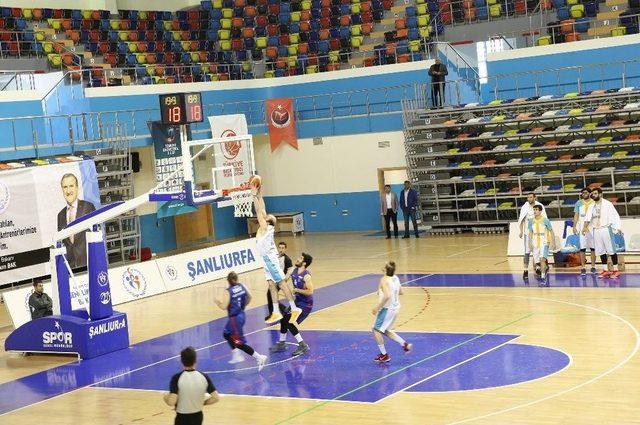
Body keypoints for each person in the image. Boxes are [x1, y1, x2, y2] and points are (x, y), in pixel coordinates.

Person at [252, 185, 302, 324]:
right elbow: (262, 208)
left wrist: (253, 196)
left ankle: (294, 308)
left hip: (270, 259)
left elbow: (258, 210)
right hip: (266, 259)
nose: (265, 214)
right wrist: (260, 193)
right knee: (271, 285)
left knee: (281, 283)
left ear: (268, 221)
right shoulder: (266, 226)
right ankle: (275, 312)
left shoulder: (265, 227)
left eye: (267, 216)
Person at [215, 272, 268, 369]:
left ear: (228, 280)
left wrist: (217, 302)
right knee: (226, 334)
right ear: (236, 279)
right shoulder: (242, 286)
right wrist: (243, 306)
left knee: (239, 343)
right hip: (241, 315)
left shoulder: (228, 291)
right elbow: (250, 297)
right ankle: (236, 355)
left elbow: (223, 306)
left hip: (235, 319)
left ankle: (259, 357)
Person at [270, 252, 314, 357]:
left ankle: (302, 345)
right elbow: (284, 280)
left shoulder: (306, 276)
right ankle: (282, 343)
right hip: (297, 301)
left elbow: (310, 291)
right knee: (284, 319)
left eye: (301, 258)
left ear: (304, 263)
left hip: (306, 304)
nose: (298, 259)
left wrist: (297, 290)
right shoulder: (293, 271)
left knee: (288, 321)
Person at [164, 346, 220, 425]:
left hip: (182, 417)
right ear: (195, 360)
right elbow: (216, 398)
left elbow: (171, 402)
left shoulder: (177, 378)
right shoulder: (204, 376)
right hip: (198, 416)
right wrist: (203, 403)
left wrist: (165, 397)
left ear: (182, 361)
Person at [371, 261, 412, 363]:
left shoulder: (384, 280)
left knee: (376, 330)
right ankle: (404, 344)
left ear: (385, 269)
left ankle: (384, 355)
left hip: (387, 309)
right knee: (384, 330)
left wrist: (377, 307)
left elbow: (387, 296)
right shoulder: (395, 278)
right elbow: (401, 292)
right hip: (396, 307)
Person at [56, 173, 96, 269]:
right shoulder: (60, 215)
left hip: (88, 264)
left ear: (77, 188)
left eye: (71, 186)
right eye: (65, 187)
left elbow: (96, 235)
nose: (68, 190)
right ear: (62, 190)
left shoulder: (88, 207)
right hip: (70, 267)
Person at [585, 188, 623, 278]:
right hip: (596, 230)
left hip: (606, 228)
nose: (593, 195)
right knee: (600, 250)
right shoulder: (592, 206)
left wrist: (618, 227)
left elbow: (615, 216)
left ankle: (616, 270)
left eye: (595, 193)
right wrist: (585, 227)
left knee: (611, 250)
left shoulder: (607, 204)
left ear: (600, 194)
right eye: (593, 193)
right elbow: (587, 217)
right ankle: (605, 270)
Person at [518, 193, 546, 280]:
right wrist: (521, 231)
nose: (529, 199)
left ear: (535, 198)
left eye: (531, 197)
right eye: (528, 197)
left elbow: (544, 219)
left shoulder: (540, 206)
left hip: (538, 233)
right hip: (528, 233)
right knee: (527, 252)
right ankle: (525, 270)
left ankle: (537, 268)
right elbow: (521, 219)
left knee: (537, 252)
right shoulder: (524, 207)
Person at [528, 205, 556, 285]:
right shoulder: (531, 221)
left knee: (542, 259)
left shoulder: (545, 220)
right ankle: (542, 269)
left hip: (544, 242)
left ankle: (543, 277)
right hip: (535, 242)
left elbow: (551, 231)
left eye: (536, 209)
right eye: (534, 209)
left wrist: (553, 242)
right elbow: (530, 233)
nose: (535, 211)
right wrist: (529, 243)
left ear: (540, 211)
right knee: (537, 262)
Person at [265, 241, 294, 320]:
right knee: (270, 295)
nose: (281, 249)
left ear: (285, 249)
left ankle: (277, 312)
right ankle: (278, 311)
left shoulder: (287, 259)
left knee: (270, 295)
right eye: (280, 248)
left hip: (280, 281)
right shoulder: (275, 256)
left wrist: (285, 280)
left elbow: (289, 271)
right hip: (274, 280)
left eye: (283, 248)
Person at [573, 188, 597, 276]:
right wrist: (574, 226)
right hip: (581, 225)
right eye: (582, 193)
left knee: (593, 248)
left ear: (590, 193)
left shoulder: (594, 202)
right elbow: (576, 215)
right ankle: (583, 267)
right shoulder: (578, 203)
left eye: (586, 193)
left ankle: (593, 266)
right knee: (582, 248)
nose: (584, 194)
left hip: (592, 226)